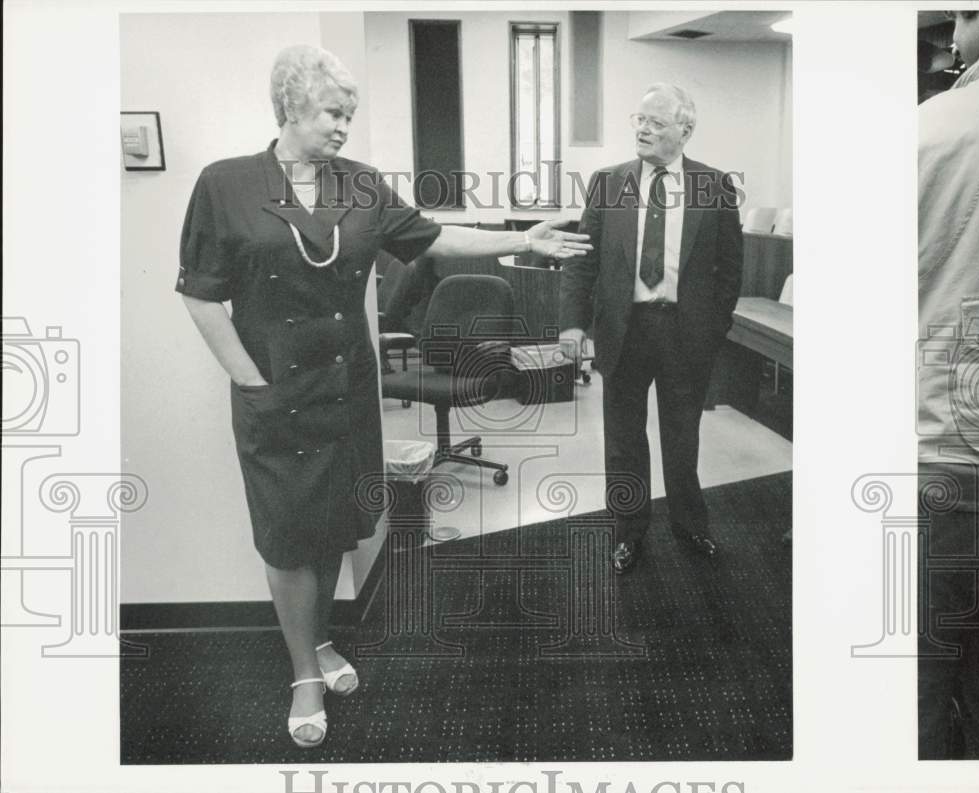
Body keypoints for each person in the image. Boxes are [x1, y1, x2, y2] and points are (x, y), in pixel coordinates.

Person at [176, 44, 590, 749]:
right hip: (275, 394)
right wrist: (249, 377)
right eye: (333, 112)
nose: (344, 125)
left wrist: (523, 235)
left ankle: (321, 640)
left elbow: (434, 237)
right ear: (290, 106)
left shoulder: (362, 186)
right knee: (286, 537)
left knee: (337, 523)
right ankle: (305, 671)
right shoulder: (226, 183)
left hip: (345, 390)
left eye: (350, 113)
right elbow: (200, 294)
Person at [559, 83, 742, 575]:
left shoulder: (715, 185)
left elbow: (730, 270)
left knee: (682, 438)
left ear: (685, 131)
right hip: (624, 329)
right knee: (623, 440)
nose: (641, 129)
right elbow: (582, 262)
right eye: (639, 119)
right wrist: (574, 324)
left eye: (655, 123)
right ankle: (628, 532)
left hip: (686, 333)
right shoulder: (607, 182)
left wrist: (713, 328)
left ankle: (689, 525)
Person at [916, 10, 979, 760]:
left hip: (950, 458)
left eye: (960, 17)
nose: (951, 38)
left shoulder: (931, 129)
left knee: (920, 675)